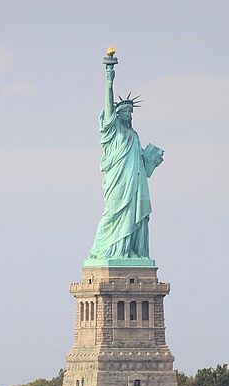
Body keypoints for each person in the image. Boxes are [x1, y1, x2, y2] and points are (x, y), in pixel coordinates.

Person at [88, 59, 164, 261]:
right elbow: (108, 110)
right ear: (117, 115)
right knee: (112, 214)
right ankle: (105, 250)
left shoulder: (134, 135)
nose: (129, 114)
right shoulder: (113, 132)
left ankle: (130, 251)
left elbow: (142, 166)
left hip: (136, 183)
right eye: (125, 111)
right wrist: (109, 80)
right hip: (118, 181)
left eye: (131, 112)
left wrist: (152, 161)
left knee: (135, 216)